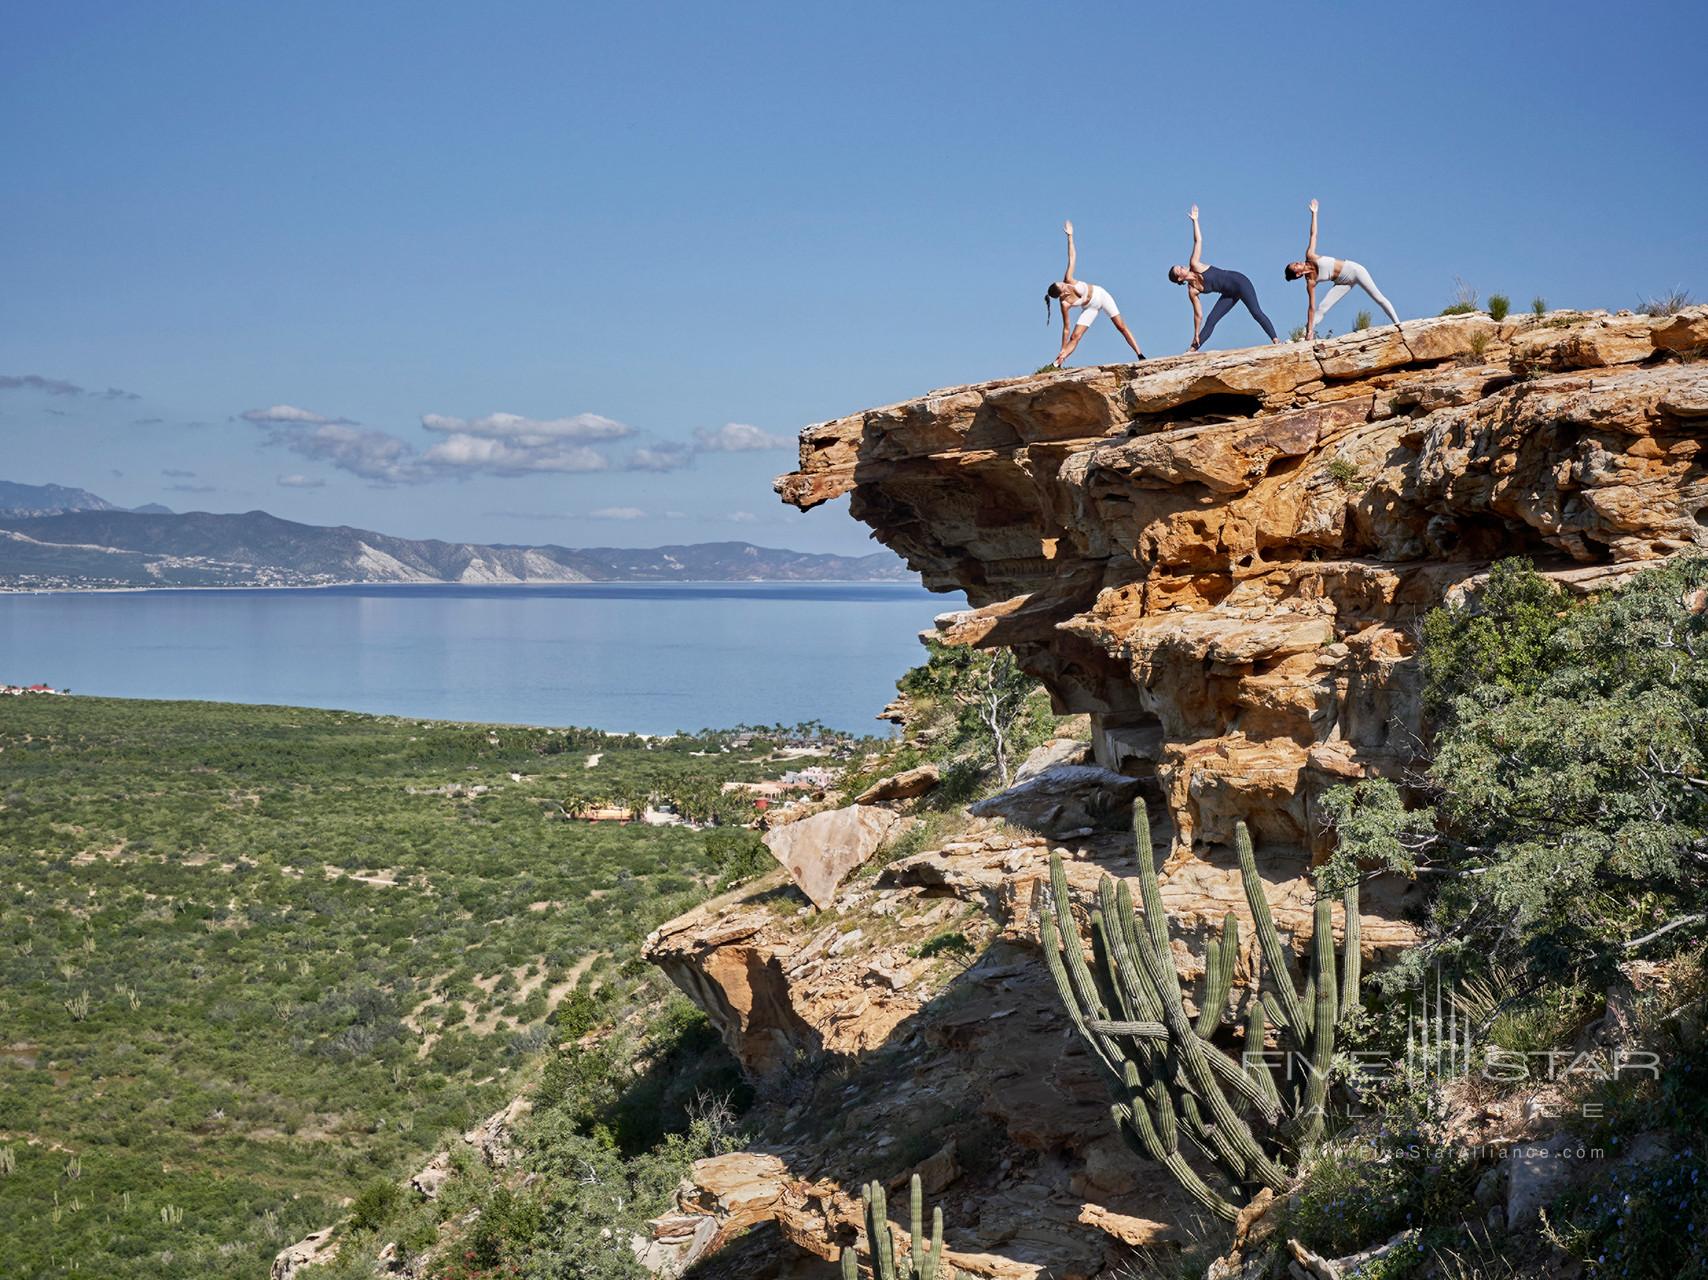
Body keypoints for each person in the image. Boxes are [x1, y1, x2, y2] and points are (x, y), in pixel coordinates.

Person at [1167, 205, 1279, 351]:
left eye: (1180, 266)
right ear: (1179, 279)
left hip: (1240, 282)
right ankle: (1192, 349)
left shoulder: (1195, 264)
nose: (1182, 267)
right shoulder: (1192, 290)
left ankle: (1276, 341)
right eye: (1179, 270)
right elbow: (1198, 314)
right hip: (1228, 294)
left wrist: (1195, 221)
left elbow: (1198, 241)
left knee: (1256, 312)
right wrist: (1195, 333)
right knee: (1211, 319)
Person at [1285, 199, 1400, 338]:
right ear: (1298, 274)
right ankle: (1304, 335)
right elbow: (1311, 307)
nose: (1297, 262)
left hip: (1355, 271)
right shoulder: (1310, 282)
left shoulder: (1310, 256)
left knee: (1378, 298)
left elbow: (1313, 234)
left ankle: (1398, 325)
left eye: (1295, 262)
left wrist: (1314, 214)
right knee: (1322, 308)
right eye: (1295, 265)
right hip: (1342, 283)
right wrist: (1310, 329)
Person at [1045, 220, 1145, 366]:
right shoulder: (1064, 304)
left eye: (1061, 282)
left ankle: (1140, 354)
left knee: (1120, 326)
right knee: (1075, 336)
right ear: (1061, 293)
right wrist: (1062, 347)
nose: (1064, 283)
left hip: (1101, 296)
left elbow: (1072, 257)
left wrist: (1070, 236)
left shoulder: (1069, 279)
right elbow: (1066, 328)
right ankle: (1058, 361)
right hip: (1090, 307)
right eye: (1062, 286)